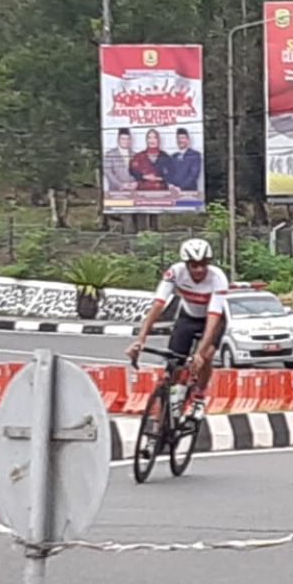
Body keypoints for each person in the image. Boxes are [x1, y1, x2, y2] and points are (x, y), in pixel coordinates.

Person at [126, 239, 228, 424]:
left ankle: (198, 397)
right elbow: (157, 306)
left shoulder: (217, 278)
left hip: (212, 319)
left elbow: (213, 318)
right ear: (186, 264)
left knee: (206, 355)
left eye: (203, 264)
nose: (199, 270)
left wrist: (199, 353)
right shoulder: (175, 272)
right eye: (194, 265)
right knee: (174, 363)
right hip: (187, 317)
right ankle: (170, 407)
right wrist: (140, 340)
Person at [103, 128, 137, 194]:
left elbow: (139, 172)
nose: (125, 141)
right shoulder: (110, 154)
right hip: (116, 191)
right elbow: (108, 173)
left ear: (130, 140)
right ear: (118, 140)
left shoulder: (135, 155)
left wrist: (136, 183)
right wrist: (121, 185)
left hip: (133, 191)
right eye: (123, 139)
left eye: (128, 139)